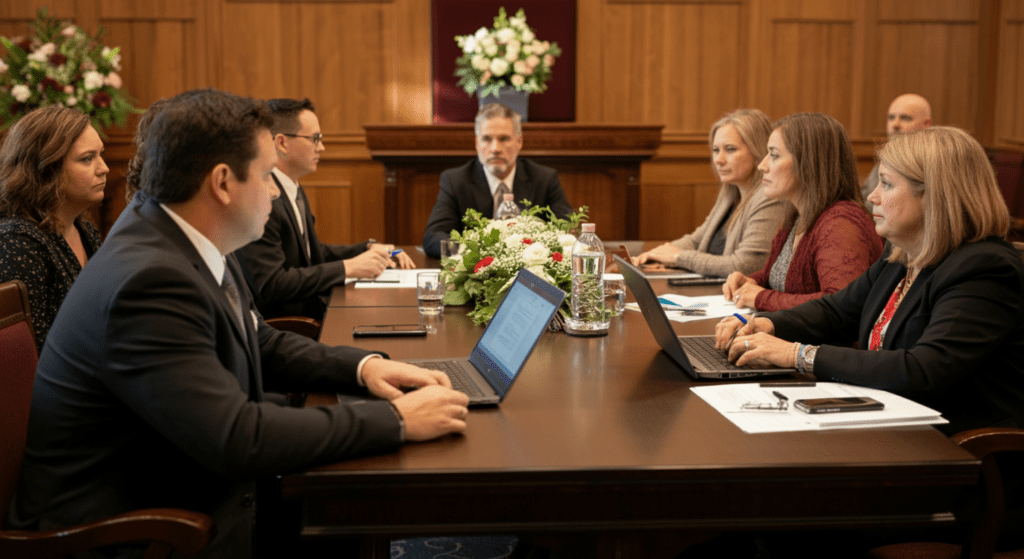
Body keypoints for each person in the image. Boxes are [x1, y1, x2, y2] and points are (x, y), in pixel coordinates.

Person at [7, 89, 470, 558]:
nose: (274, 191)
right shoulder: (149, 280)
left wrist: (363, 368)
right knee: (348, 511)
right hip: (137, 528)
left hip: (180, 478)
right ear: (223, 183)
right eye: (268, 174)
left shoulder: (180, 235)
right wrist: (395, 420)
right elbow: (237, 438)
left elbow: (259, 340)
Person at [716, 126, 1024, 435]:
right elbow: (837, 311)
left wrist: (797, 355)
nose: (873, 196)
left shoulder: (984, 269)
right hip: (887, 426)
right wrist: (765, 324)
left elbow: (922, 370)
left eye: (887, 185)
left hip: (957, 451)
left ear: (935, 195)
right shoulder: (902, 255)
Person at [235, 98, 412, 320]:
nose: (322, 147)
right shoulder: (265, 199)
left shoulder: (292, 187)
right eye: (315, 139)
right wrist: (347, 268)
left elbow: (310, 253)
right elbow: (272, 284)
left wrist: (367, 249)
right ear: (281, 143)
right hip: (289, 325)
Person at [722, 112, 884, 312]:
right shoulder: (796, 213)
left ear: (808, 162)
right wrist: (751, 281)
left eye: (773, 155)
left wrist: (762, 297)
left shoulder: (841, 224)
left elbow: (839, 305)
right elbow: (778, 279)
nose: (762, 166)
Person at [0, 105, 107, 351]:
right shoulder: (17, 242)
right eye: (87, 159)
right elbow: (33, 353)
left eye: (101, 154)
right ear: (47, 168)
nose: (104, 168)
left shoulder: (85, 229)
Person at [633, 109, 788, 277]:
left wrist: (678, 257)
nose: (719, 160)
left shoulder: (771, 199)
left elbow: (745, 265)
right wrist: (655, 255)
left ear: (758, 151)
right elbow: (695, 240)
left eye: (730, 149)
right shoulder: (730, 192)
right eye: (716, 150)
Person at [422, 103, 573, 258]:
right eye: (486, 139)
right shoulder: (455, 181)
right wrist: (474, 253)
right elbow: (433, 236)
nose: (495, 148)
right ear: (477, 143)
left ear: (519, 142)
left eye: (504, 139)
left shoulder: (544, 179)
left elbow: (567, 228)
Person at [863, 94, 932, 209]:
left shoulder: (932, 162)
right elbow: (865, 200)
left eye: (905, 118)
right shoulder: (886, 159)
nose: (895, 124)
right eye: (891, 118)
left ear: (926, 124)